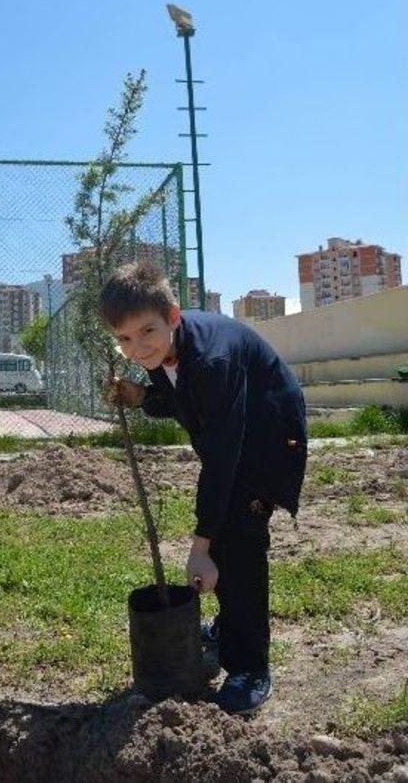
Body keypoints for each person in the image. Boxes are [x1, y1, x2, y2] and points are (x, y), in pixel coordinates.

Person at [101, 263, 307, 715]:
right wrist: (141, 396)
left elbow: (222, 458)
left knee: (240, 540)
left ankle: (250, 666)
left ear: (173, 315)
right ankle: (231, 623)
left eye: (146, 331)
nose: (137, 347)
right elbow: (183, 397)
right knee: (228, 534)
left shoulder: (212, 359)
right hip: (236, 435)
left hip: (270, 438)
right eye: (124, 339)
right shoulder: (165, 349)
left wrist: (200, 546)